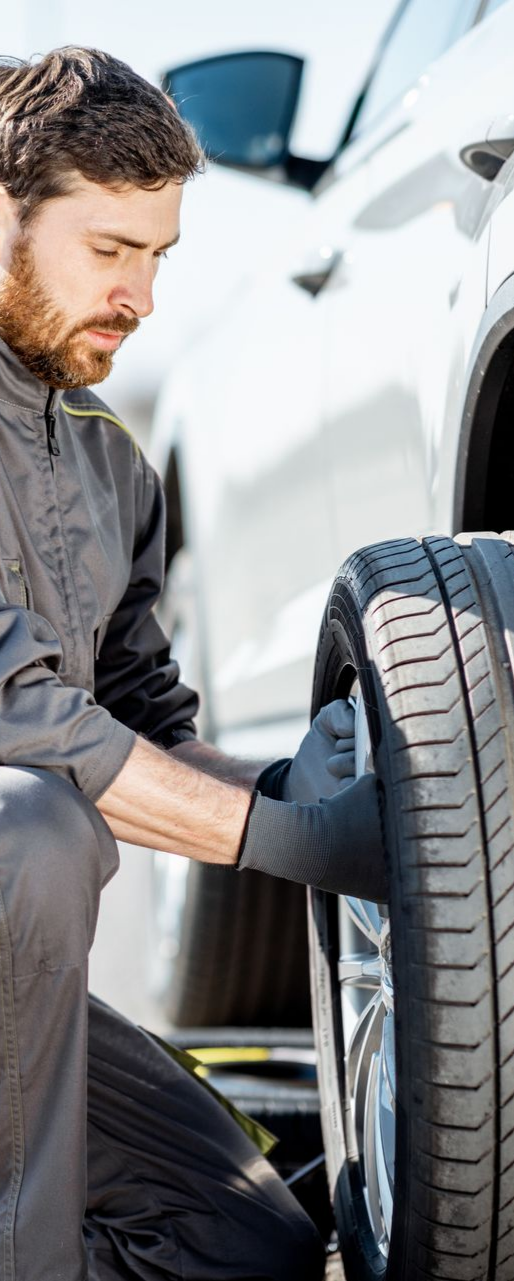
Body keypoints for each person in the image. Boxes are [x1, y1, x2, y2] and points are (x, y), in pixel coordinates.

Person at [0, 46, 387, 1280]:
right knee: (28, 828)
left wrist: (289, 794)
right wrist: (278, 844)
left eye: (157, 257)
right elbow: (20, 716)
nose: (141, 295)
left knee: (236, 1243)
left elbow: (140, 728)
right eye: (109, 250)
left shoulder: (110, 462)